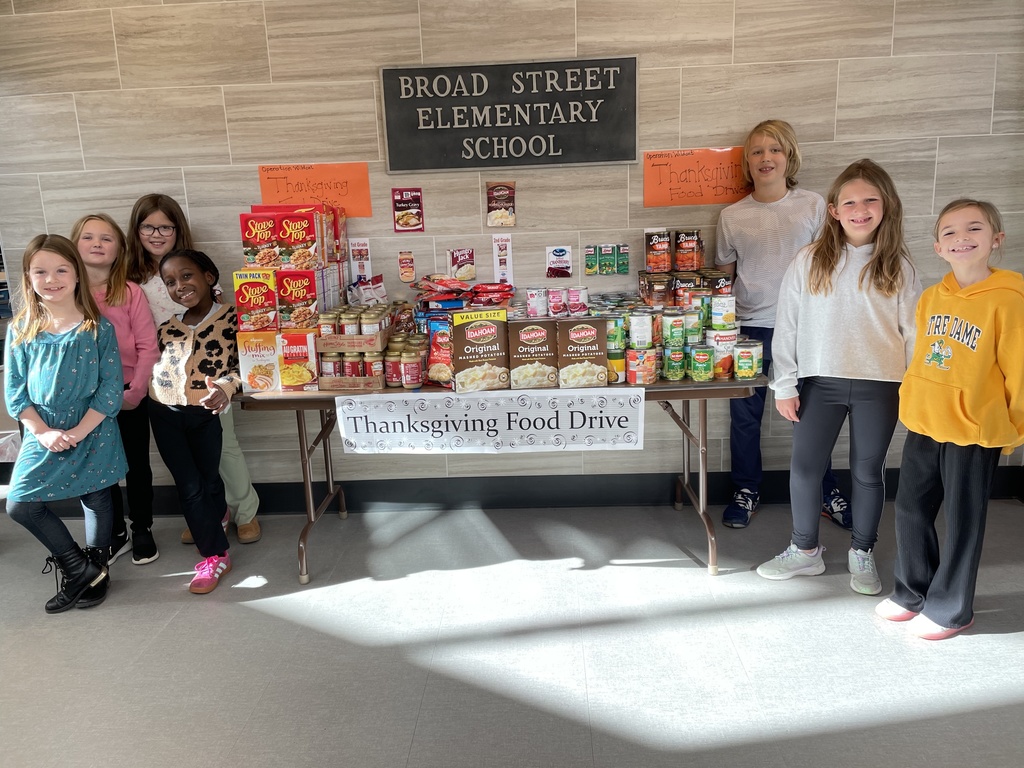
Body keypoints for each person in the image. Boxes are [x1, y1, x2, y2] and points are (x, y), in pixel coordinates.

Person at [757, 159, 921, 595]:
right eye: (849, 201)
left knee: (868, 471)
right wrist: (784, 384)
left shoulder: (899, 267)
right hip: (818, 383)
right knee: (806, 468)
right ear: (833, 210)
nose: (860, 208)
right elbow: (787, 323)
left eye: (870, 200)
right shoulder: (809, 260)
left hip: (881, 384)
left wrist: (915, 389)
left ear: (887, 206)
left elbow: (914, 335)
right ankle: (805, 551)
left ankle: (862, 552)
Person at [876, 199, 1024, 639]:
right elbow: (924, 358)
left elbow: (1019, 368)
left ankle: (952, 608)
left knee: (963, 520)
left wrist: (1013, 427)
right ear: (938, 247)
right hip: (925, 421)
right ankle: (912, 592)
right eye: (950, 233)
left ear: (996, 240)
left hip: (975, 429)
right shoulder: (931, 296)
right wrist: (912, 401)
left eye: (974, 229)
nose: (962, 239)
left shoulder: (1010, 298)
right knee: (909, 508)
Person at [715, 119, 848, 530]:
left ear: (789, 157)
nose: (765, 158)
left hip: (806, 327)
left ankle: (825, 491)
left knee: (811, 417)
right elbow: (724, 276)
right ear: (747, 163)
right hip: (749, 329)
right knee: (744, 416)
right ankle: (746, 490)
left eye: (774, 149)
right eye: (756, 151)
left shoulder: (812, 205)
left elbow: (833, 266)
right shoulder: (732, 216)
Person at [126, 193, 261, 549]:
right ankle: (210, 516)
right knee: (188, 465)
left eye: (165, 226)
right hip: (167, 377)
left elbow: (219, 324)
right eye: (147, 227)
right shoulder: (132, 277)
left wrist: (227, 382)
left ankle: (245, 510)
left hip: (208, 376)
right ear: (136, 231)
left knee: (224, 448)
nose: (156, 234)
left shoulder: (194, 267)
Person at [4, 234, 127, 612]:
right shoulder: (21, 330)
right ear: (28, 277)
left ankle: (98, 570)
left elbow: (110, 390)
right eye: (40, 271)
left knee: (96, 496)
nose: (51, 278)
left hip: (91, 427)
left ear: (76, 275)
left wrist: (78, 431)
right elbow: (15, 393)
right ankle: (79, 568)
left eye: (61, 270)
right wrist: (42, 432)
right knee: (20, 504)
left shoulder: (97, 329)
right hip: (43, 431)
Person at [148, 248, 240, 594]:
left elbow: (250, 366)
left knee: (208, 477)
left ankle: (218, 518)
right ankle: (214, 554)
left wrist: (228, 388)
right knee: (189, 485)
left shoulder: (234, 320)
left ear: (209, 277)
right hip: (162, 412)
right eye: (170, 282)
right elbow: (152, 365)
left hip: (204, 413)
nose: (179, 285)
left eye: (186, 276)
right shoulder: (167, 328)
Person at [72, 214, 160, 566]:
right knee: (98, 468)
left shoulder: (130, 292)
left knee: (137, 464)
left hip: (127, 394)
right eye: (88, 237)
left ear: (120, 248)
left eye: (106, 238)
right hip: (84, 399)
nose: (97, 243)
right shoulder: (68, 293)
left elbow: (147, 347)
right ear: (74, 245)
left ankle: (142, 529)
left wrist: (135, 393)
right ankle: (112, 532)